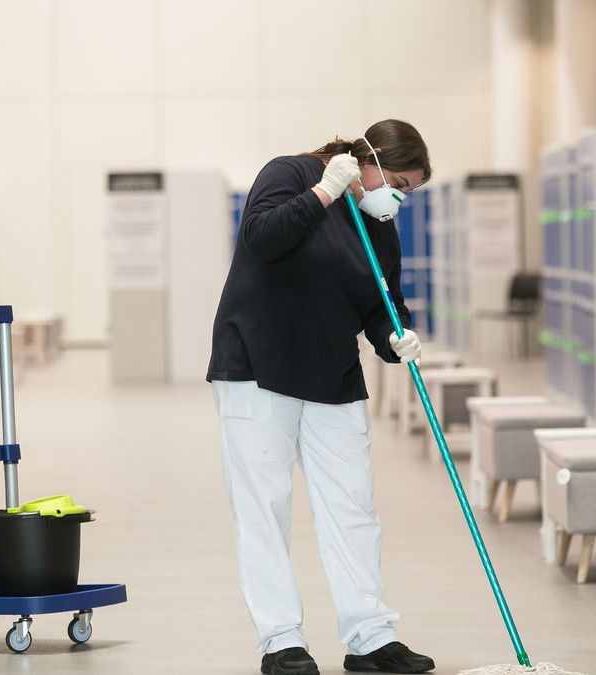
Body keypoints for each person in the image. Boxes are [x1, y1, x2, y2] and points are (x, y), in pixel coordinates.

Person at [208, 119, 435, 675]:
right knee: (264, 508)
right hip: (256, 368)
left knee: (353, 507)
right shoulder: (291, 173)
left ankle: (371, 637)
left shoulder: (378, 225)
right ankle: (281, 641)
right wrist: (325, 192)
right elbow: (262, 238)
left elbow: (382, 301)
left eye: (410, 192)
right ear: (372, 159)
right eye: (399, 184)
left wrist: (393, 336)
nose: (399, 198)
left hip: (331, 373)